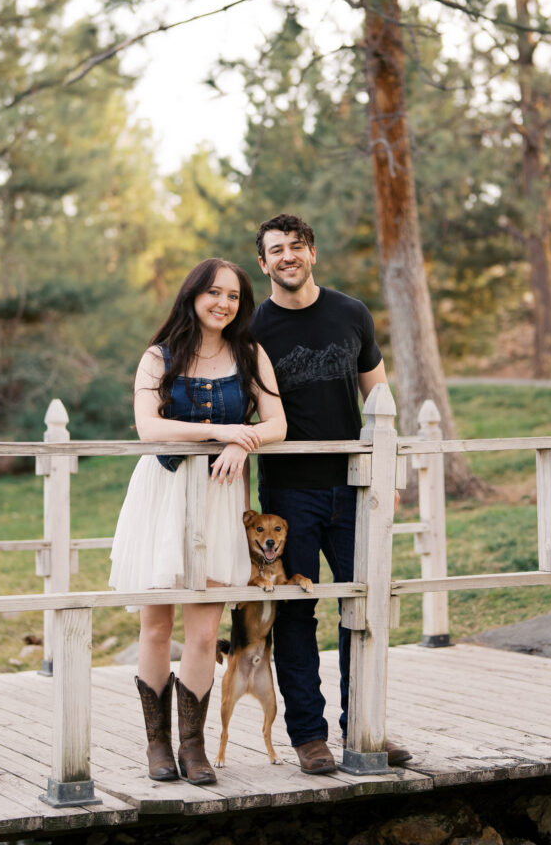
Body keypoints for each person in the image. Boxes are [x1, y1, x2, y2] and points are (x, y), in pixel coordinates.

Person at [109, 258, 286, 786]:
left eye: (233, 296)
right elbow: (148, 428)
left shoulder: (250, 353)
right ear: (192, 296)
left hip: (218, 498)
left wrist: (244, 441)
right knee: (156, 626)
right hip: (162, 497)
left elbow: (277, 422)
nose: (223, 303)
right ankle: (157, 746)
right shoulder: (158, 356)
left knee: (205, 634)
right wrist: (223, 431)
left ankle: (193, 747)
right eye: (213, 292)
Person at [250, 214, 409, 775]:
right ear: (263, 263)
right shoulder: (253, 329)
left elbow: (380, 401)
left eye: (297, 246)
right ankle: (309, 738)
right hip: (288, 495)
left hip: (355, 488)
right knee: (296, 615)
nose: (288, 256)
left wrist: (390, 477)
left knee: (362, 607)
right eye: (276, 249)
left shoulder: (352, 313)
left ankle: (363, 726)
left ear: (312, 253)